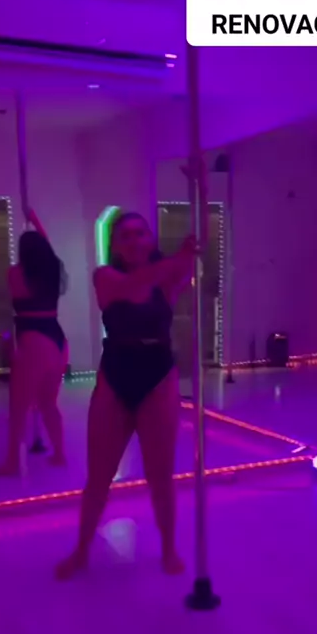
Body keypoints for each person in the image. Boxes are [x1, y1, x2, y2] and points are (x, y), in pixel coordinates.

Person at [55, 211, 198, 579]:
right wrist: (174, 262)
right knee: (99, 476)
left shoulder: (165, 280)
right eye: (126, 236)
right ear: (115, 247)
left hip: (158, 375)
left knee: (160, 475)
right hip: (116, 374)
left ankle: (168, 548)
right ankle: (81, 550)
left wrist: (187, 252)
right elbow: (134, 287)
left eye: (140, 233)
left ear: (150, 239)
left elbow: (184, 269)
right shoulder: (105, 277)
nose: (134, 241)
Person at [0, 209, 68, 475]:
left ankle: (13, 462)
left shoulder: (15, 274)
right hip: (57, 339)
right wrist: (35, 220)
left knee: (19, 406)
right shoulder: (53, 271)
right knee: (48, 403)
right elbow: (47, 251)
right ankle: (59, 454)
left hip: (33, 341)